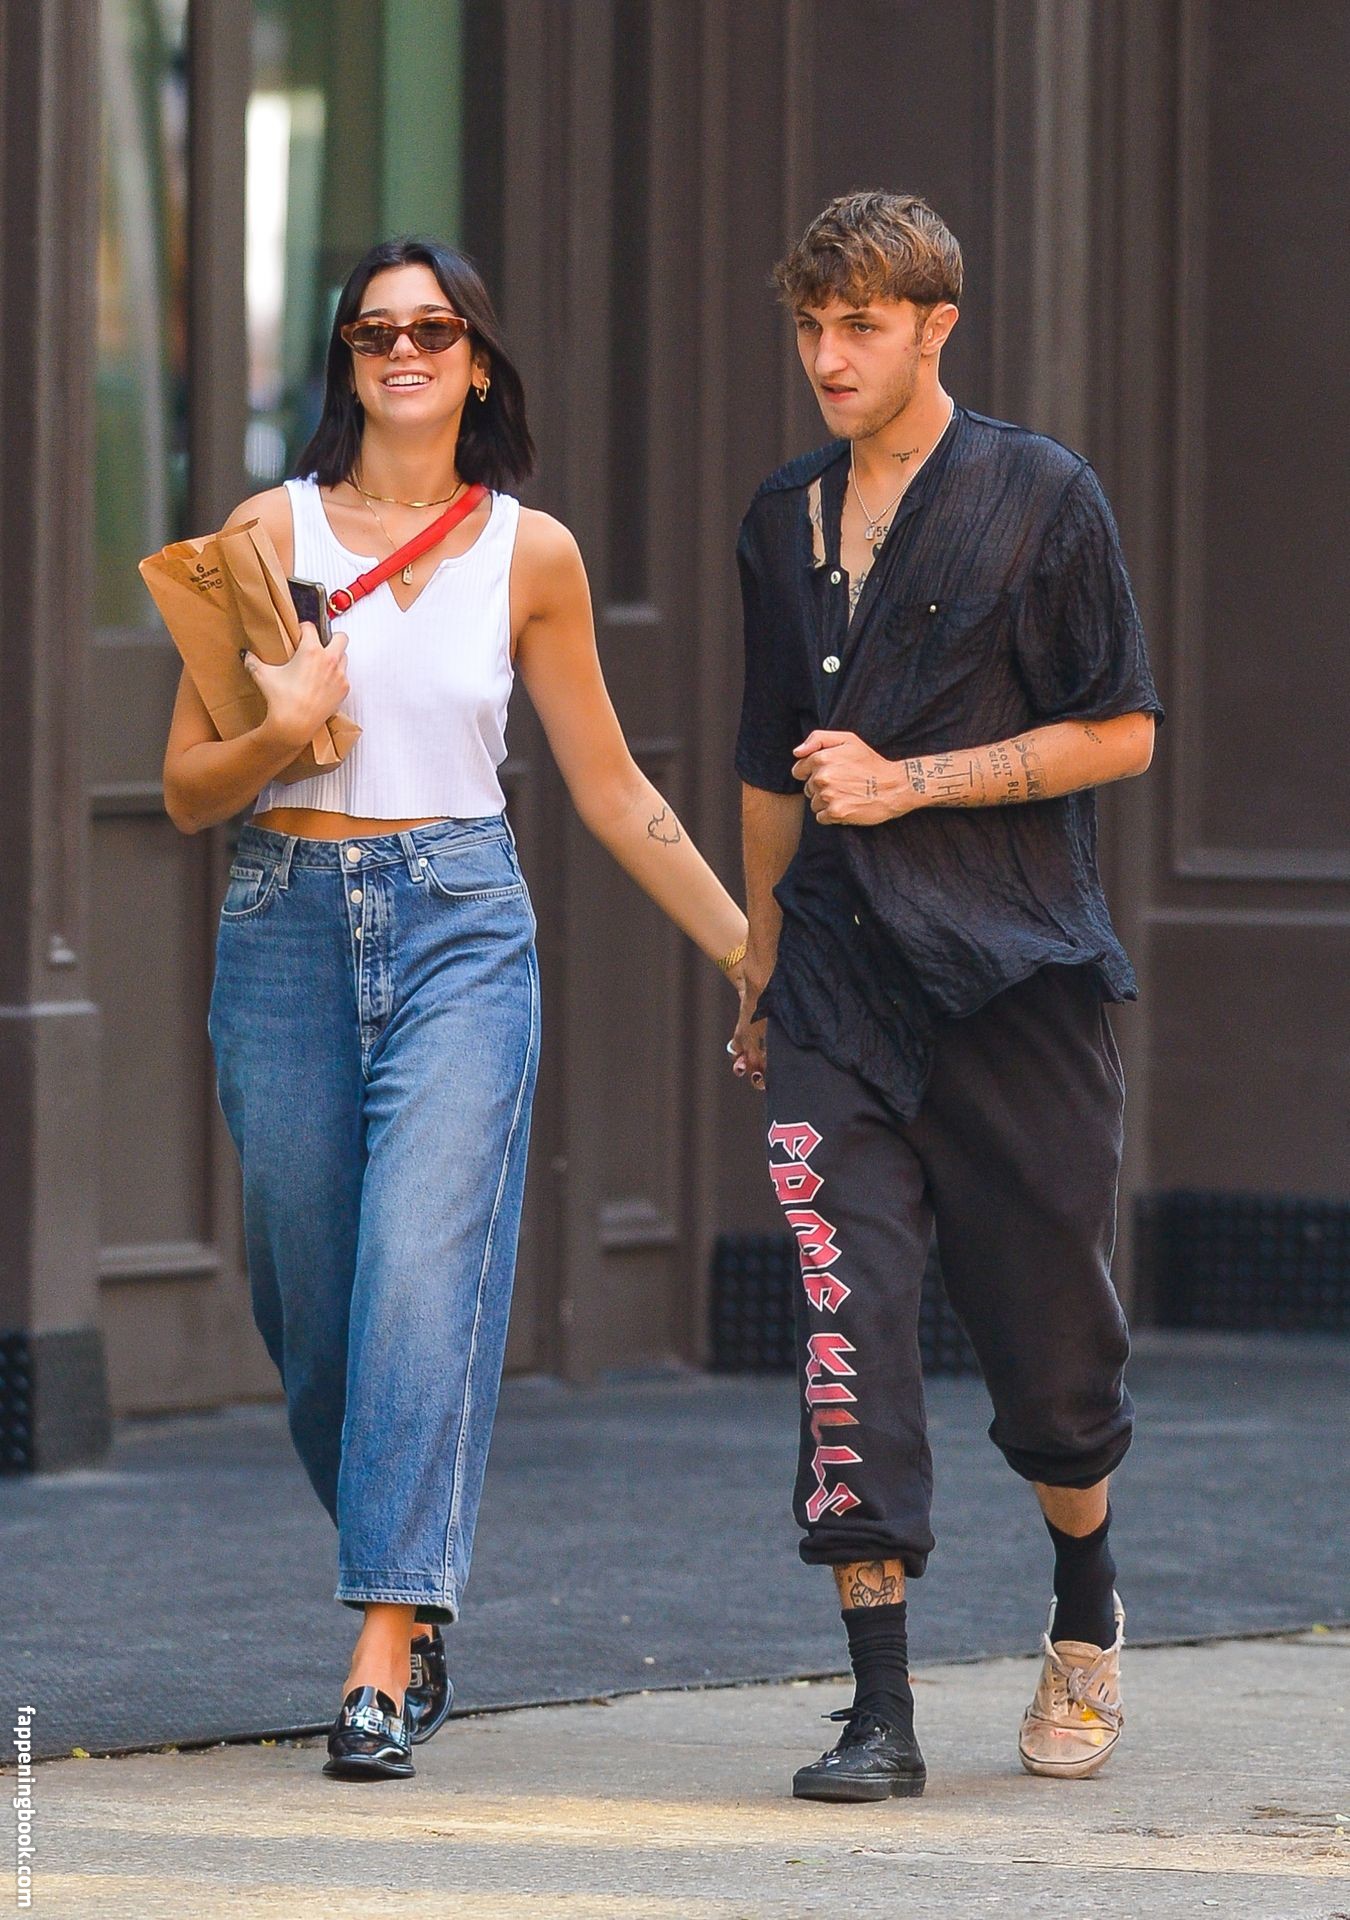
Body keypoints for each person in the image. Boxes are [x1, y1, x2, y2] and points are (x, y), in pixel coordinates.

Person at [162, 236, 749, 1783]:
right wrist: (280, 728)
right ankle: (407, 1579)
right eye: (375, 333)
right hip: (285, 923)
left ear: (479, 361)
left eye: (434, 329)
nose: (405, 352)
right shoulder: (265, 531)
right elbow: (186, 788)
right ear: (345, 363)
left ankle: (379, 1644)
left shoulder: (529, 554)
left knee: (424, 1274)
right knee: (313, 1311)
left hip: (461, 928)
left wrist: (747, 952)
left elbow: (613, 792)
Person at [729, 190, 1163, 1802]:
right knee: (844, 1319)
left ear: (934, 325)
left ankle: (1082, 1600)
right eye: (809, 325)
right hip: (836, 988)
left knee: (1052, 1356)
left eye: (859, 325)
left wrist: (911, 783)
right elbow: (767, 760)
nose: (827, 356)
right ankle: (879, 1708)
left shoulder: (1039, 495)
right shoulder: (781, 518)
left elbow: (1121, 730)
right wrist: (758, 963)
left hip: (1011, 980)